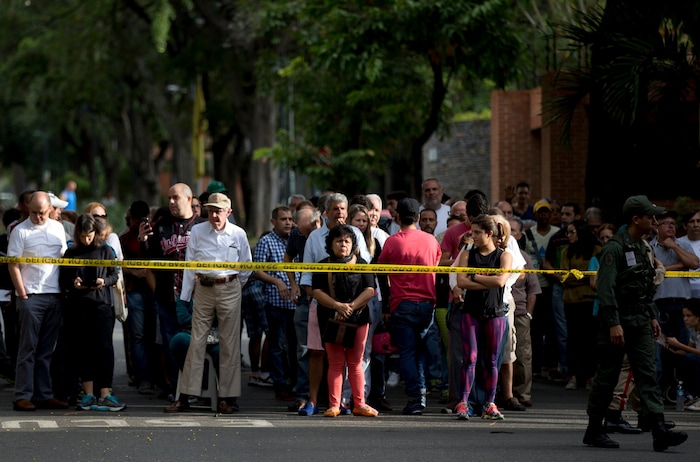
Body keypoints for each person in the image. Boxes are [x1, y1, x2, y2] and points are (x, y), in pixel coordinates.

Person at [583, 195, 688, 452]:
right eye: (650, 217)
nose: (654, 221)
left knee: (647, 374)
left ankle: (659, 429)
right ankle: (594, 429)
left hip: (640, 318)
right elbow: (606, 289)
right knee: (607, 377)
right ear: (635, 219)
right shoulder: (614, 249)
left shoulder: (642, 247)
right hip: (617, 321)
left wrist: (652, 315)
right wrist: (613, 323)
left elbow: (643, 287)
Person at [165, 193, 252, 414]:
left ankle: (229, 399)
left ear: (228, 212)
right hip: (203, 288)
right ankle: (185, 396)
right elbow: (190, 264)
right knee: (196, 341)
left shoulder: (238, 234)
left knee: (230, 345)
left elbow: (247, 266)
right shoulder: (197, 231)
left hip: (230, 287)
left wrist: (233, 285)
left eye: (219, 211)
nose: (214, 215)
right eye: (211, 210)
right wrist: (185, 297)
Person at [140, 183, 204, 400]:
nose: (171, 202)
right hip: (167, 298)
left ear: (188, 199)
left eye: (175, 197)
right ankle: (179, 390)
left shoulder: (202, 226)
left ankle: (196, 388)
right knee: (171, 347)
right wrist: (143, 241)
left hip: (196, 299)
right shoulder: (160, 226)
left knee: (195, 345)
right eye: (169, 198)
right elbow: (148, 260)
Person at [378, 198, 442, 415]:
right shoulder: (431, 241)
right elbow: (437, 262)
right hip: (426, 304)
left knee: (407, 353)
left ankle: (415, 399)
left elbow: (380, 269)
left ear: (397, 217)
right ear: (417, 217)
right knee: (421, 352)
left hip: (402, 303)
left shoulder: (392, 242)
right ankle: (421, 397)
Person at [7, 191, 69, 411]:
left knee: (46, 351)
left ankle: (43, 394)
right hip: (31, 295)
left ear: (50, 209)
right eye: (33, 213)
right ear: (28, 209)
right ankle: (22, 395)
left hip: (54, 294)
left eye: (42, 213)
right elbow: (13, 264)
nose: (38, 217)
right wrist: (22, 294)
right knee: (27, 349)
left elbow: (64, 258)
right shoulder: (20, 232)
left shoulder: (57, 228)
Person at [312, 224, 377, 417]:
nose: (343, 245)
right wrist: (336, 306)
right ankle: (334, 405)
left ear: (353, 244)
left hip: (359, 319)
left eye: (347, 241)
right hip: (331, 319)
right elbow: (316, 291)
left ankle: (359, 404)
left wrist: (350, 306)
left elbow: (370, 290)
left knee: (356, 362)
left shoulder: (362, 263)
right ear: (330, 244)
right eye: (338, 241)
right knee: (336, 362)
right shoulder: (323, 265)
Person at [61, 214, 125, 411]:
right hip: (78, 306)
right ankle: (88, 393)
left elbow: (115, 274)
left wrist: (103, 282)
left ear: (96, 232)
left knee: (104, 348)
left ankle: (105, 392)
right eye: (82, 236)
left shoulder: (105, 250)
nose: (86, 240)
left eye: (89, 236)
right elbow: (63, 279)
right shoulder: (71, 253)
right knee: (84, 349)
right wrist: (74, 283)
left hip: (101, 305)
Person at [454, 214, 513, 420]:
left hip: (495, 312)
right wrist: (486, 279)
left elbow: (500, 282)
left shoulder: (504, 256)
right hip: (471, 311)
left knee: (492, 360)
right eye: (472, 232)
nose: (473, 236)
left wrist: (474, 276)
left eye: (477, 233)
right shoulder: (467, 255)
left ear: (489, 234)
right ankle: (463, 402)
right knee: (469, 358)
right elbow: (461, 281)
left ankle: (490, 402)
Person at [253, 206, 298, 402]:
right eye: (283, 219)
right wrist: (278, 281)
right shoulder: (266, 242)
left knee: (296, 347)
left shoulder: (297, 241)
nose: (288, 222)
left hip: (296, 304)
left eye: (290, 219)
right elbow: (257, 270)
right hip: (276, 303)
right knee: (277, 346)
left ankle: (297, 384)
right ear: (273, 222)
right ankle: (280, 386)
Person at [119, 200, 157, 395]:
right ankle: (142, 376)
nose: (141, 222)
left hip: (154, 290)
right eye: (138, 219)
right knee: (137, 335)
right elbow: (119, 263)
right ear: (131, 218)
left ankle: (156, 375)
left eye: (145, 218)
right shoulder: (124, 238)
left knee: (154, 335)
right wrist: (136, 272)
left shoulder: (155, 234)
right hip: (134, 290)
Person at [559, 219, 599, 391]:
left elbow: (598, 277)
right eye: (568, 232)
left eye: (572, 232)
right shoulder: (566, 252)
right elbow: (565, 278)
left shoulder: (596, 250)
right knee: (573, 339)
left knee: (591, 340)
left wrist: (578, 276)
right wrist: (587, 278)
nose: (569, 236)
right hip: (572, 301)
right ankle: (573, 376)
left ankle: (591, 376)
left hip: (591, 301)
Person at [666, 301, 700, 411]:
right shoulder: (695, 331)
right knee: (679, 359)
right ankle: (689, 395)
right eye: (684, 316)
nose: (685, 319)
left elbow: (695, 353)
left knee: (690, 359)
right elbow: (688, 350)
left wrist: (678, 344)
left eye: (689, 316)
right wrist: (672, 348)